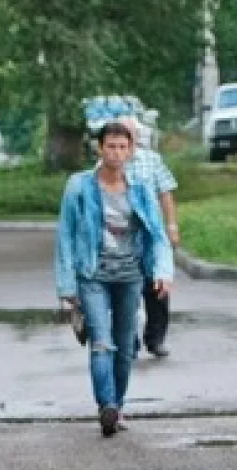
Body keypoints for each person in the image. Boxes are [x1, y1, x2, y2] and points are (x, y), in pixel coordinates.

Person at [53, 122, 174, 438]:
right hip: (92, 275)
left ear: (131, 151)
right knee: (101, 343)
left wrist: (162, 272)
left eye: (123, 147)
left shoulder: (141, 190)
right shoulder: (79, 186)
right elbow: (65, 236)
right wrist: (67, 286)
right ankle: (105, 405)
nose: (116, 153)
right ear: (100, 149)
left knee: (125, 345)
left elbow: (157, 235)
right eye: (111, 147)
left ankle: (116, 407)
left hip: (130, 276)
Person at [118, 116, 179, 358]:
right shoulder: (108, 164)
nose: (125, 144)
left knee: (158, 288)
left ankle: (155, 339)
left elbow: (165, 193)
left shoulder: (151, 160)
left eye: (129, 137)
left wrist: (171, 225)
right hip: (122, 236)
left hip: (151, 235)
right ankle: (128, 339)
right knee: (126, 289)